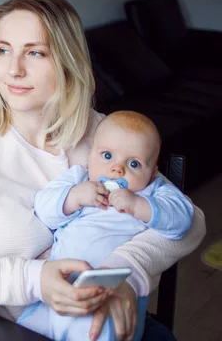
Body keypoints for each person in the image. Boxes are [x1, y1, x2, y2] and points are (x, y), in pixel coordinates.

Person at [0, 0, 206, 341]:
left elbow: (190, 221)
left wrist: (125, 276)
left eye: (34, 52)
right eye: (3, 50)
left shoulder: (100, 131)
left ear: (67, 61)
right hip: (4, 326)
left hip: (100, 316)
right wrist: (34, 279)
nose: (13, 69)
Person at [16, 110, 194, 340]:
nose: (117, 169)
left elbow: (183, 220)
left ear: (152, 172)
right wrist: (73, 198)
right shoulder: (79, 178)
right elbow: (43, 209)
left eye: (134, 163)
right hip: (58, 293)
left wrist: (138, 205)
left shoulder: (153, 191)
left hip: (112, 297)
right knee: (24, 328)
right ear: (90, 155)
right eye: (107, 156)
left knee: (94, 332)